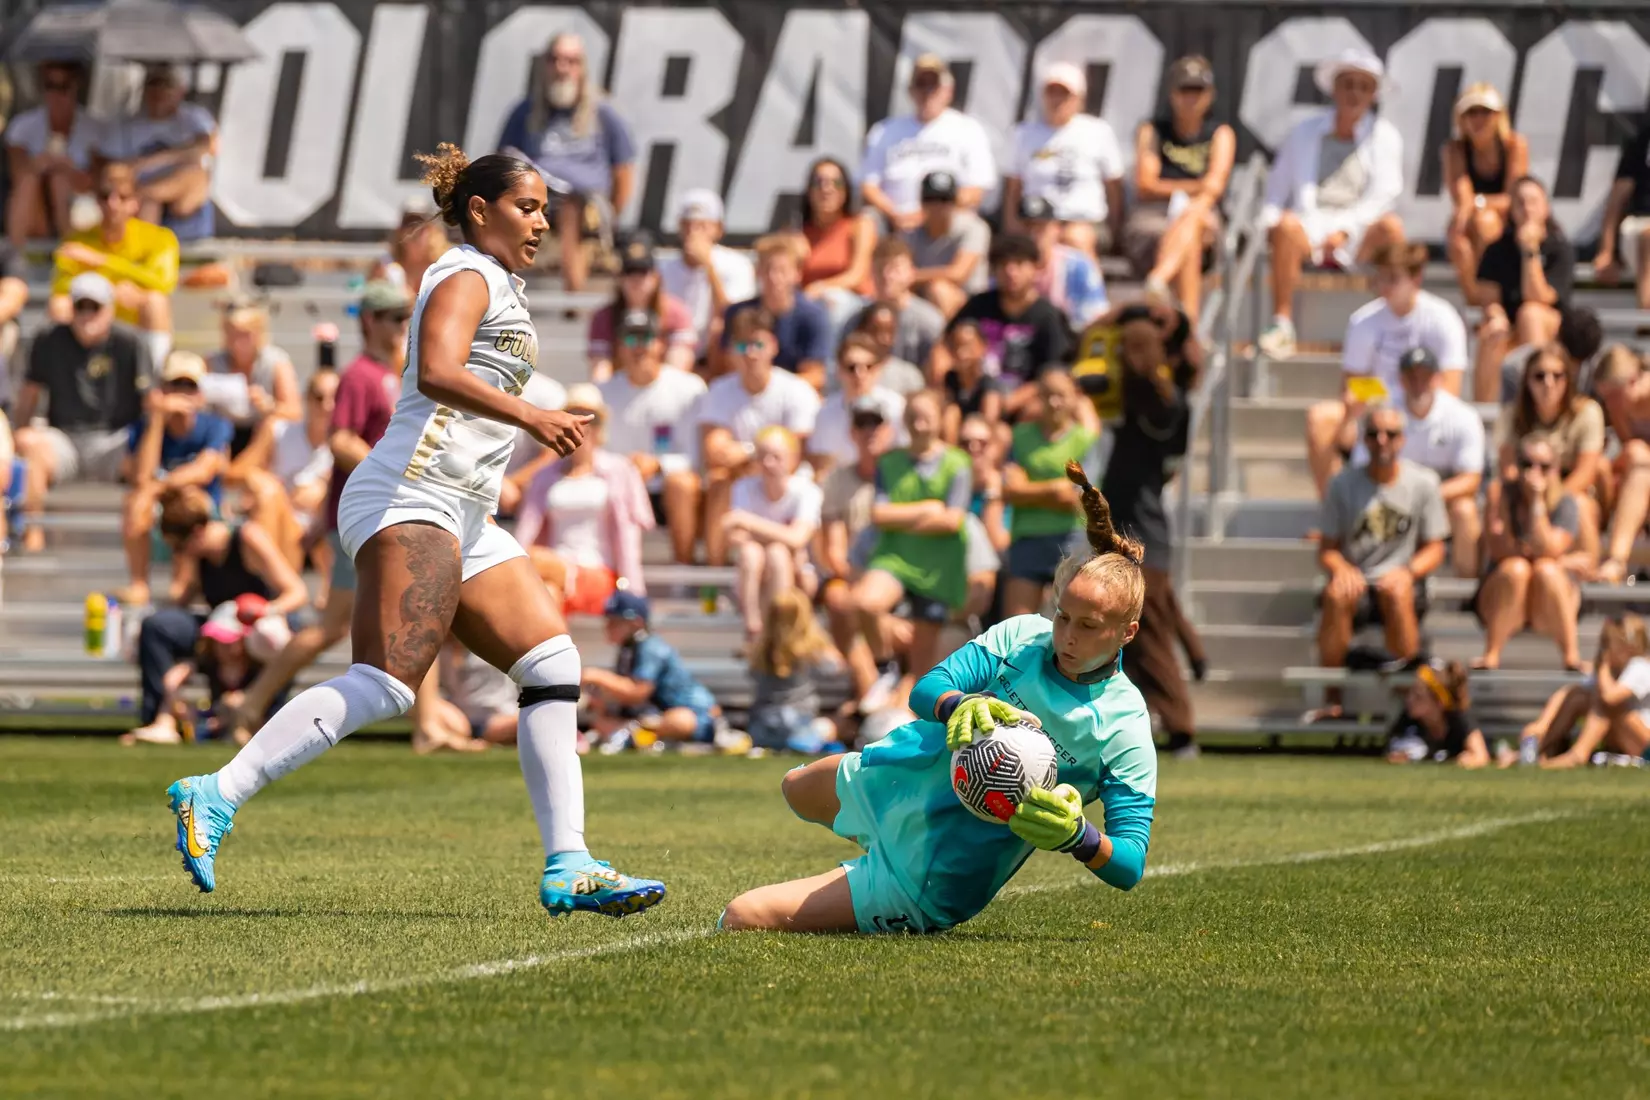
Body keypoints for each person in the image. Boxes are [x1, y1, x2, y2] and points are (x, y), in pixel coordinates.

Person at [163, 143, 666, 918]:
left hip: (463, 507)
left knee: (552, 663)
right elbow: (436, 371)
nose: (541, 223)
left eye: (544, 209)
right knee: (389, 683)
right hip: (411, 494)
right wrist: (533, 416)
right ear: (479, 211)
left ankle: (570, 863)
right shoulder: (464, 271)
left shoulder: (498, 279)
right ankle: (216, 791)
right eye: (527, 207)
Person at [719, 463, 1155, 934]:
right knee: (795, 787)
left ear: (1127, 632)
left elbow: (1130, 863)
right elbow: (928, 687)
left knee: (742, 916)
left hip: (931, 874)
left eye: (1088, 626)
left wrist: (1078, 837)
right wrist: (957, 704)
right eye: (1063, 616)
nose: (1067, 635)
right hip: (893, 779)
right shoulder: (1023, 635)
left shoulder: (1124, 726)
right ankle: (868, 843)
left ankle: (872, 888)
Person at [221, 276, 452, 750]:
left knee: (416, 613)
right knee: (350, 624)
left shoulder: (393, 372)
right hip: (366, 516)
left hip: (388, 512)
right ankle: (250, 705)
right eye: (392, 317)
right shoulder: (361, 375)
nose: (402, 324)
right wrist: (391, 470)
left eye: (405, 316)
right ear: (368, 321)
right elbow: (340, 439)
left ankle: (428, 724)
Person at [1100, 306, 1208, 756]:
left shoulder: (1156, 400)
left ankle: (1182, 728)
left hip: (1139, 529)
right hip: (1139, 527)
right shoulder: (1173, 401)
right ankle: (1195, 654)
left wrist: (1134, 319)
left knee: (1150, 632)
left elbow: (1137, 371)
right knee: (1153, 614)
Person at [127, 485, 310, 746]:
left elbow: (296, 592)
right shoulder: (200, 557)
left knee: (275, 635)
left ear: (197, 533)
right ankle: (161, 721)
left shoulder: (247, 537)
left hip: (258, 625)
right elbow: (183, 600)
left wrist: (262, 612)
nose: (180, 554)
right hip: (219, 627)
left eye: (180, 547)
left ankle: (263, 717)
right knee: (157, 627)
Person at [1258, 49, 1406, 360]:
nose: (1355, 93)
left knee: (1392, 229)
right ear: (1334, 89)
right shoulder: (1303, 133)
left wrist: (1345, 232)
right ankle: (1281, 324)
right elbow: (1276, 190)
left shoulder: (1386, 137)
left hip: (1358, 237)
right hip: (1309, 229)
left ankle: (1393, 324)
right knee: (1284, 225)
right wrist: (1266, 228)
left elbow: (1385, 196)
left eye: (1363, 87)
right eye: (1348, 84)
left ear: (1373, 95)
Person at [1303, 242, 1468, 497]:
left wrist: (1404, 400)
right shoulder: (1363, 320)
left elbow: (1450, 389)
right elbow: (1351, 387)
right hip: (1376, 410)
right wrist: (1381, 400)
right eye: (1380, 277)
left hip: (1424, 410)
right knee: (1321, 419)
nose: (1384, 286)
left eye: (1393, 278)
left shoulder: (1443, 318)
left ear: (1416, 278)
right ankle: (1338, 508)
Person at [1315, 406, 1447, 715]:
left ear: (1403, 439)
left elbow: (1436, 548)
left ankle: (1411, 704)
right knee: (1336, 593)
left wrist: (1408, 572)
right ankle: (1333, 699)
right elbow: (1326, 549)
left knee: (1397, 592)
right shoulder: (1342, 484)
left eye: (1391, 434)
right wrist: (1342, 569)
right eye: (1374, 434)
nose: (1382, 441)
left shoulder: (1423, 483)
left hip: (1403, 582)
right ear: (1364, 439)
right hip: (1359, 581)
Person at [11, 272, 150, 553]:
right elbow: (29, 394)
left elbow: (149, 400)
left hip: (117, 439)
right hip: (65, 439)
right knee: (28, 442)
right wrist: (16, 440)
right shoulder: (48, 339)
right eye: (80, 307)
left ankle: (142, 542)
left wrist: (148, 442)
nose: (87, 315)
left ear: (109, 309)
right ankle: (33, 537)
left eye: (94, 307)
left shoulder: (131, 342)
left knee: (149, 454)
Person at [852, 391, 971, 712]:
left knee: (922, 670)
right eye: (913, 418)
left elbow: (952, 521)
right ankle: (885, 667)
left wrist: (901, 518)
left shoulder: (958, 463)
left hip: (938, 569)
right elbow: (879, 515)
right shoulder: (889, 462)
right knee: (865, 602)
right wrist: (928, 508)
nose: (919, 425)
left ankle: (913, 726)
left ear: (939, 420)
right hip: (895, 557)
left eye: (926, 417)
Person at [498, 31, 635, 292]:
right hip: (538, 200)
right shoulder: (524, 113)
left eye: (571, 61)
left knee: (572, 207)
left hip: (589, 208)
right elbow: (502, 162)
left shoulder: (604, 113)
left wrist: (612, 215)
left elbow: (624, 171)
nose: (562, 69)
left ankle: (574, 297)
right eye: (555, 60)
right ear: (545, 65)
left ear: (582, 68)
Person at [683, 307, 820, 566]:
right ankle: (715, 570)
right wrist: (760, 456)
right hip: (743, 482)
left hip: (784, 483)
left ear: (773, 346)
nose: (750, 353)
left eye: (758, 344)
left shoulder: (797, 390)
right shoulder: (719, 391)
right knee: (720, 481)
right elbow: (716, 452)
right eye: (742, 345)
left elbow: (794, 454)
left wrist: (747, 453)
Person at [1344, 348, 1485, 578]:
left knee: (1465, 510)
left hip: (1443, 502)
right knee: (1366, 504)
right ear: (1401, 379)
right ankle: (1373, 577)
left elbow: (1471, 480)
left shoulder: (1462, 416)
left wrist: (1424, 498)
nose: (1419, 383)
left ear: (1438, 378)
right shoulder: (1384, 413)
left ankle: (1466, 586)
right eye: (1412, 376)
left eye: (1425, 376)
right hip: (1391, 500)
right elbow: (1363, 468)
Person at [515, 384, 654, 616]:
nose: (582, 426)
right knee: (548, 592)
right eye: (574, 417)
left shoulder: (620, 470)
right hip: (555, 572)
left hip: (598, 571)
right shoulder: (544, 476)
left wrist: (632, 591)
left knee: (527, 560)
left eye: (590, 420)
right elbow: (526, 529)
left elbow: (629, 536)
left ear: (600, 427)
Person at [1124, 55, 1235, 325]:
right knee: (1192, 234)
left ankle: (1159, 278)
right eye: (1185, 90)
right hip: (1155, 217)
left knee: (1196, 218)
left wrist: (1188, 196)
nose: (1191, 98)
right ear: (1172, 94)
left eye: (1198, 90)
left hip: (1203, 219)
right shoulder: (1152, 130)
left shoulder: (1220, 133)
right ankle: (1189, 329)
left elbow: (1216, 187)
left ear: (1210, 95)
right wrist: (1195, 187)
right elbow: (1145, 185)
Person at [121, 352, 234, 606]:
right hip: (161, 511)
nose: (182, 393)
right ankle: (139, 584)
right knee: (135, 502)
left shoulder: (215, 425)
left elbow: (204, 470)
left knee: (187, 502)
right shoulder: (144, 427)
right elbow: (141, 476)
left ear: (200, 393)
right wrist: (158, 420)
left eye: (189, 386)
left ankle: (182, 584)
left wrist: (157, 486)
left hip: (203, 513)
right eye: (176, 385)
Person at [597, 308, 707, 562]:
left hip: (666, 490)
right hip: (619, 486)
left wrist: (657, 465)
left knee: (681, 484)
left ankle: (683, 569)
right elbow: (596, 452)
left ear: (661, 344)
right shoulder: (603, 392)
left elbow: (696, 457)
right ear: (619, 347)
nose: (638, 347)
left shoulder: (689, 388)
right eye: (630, 339)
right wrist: (626, 467)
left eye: (646, 338)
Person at [49, 163, 178, 368]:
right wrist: (107, 292)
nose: (113, 204)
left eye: (123, 197)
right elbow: (61, 286)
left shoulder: (160, 239)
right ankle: (65, 374)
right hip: (90, 319)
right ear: (96, 201)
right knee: (60, 305)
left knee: (155, 301)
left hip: (135, 321)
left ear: (135, 202)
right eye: (105, 196)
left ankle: (154, 375)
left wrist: (102, 261)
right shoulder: (77, 241)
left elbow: (163, 282)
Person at [1473, 434, 1584, 672]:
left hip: (1546, 602)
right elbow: (1500, 550)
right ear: (1516, 465)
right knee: (1517, 569)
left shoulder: (1566, 502)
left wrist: (1536, 503)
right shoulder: (1500, 493)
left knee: (1546, 570)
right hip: (1503, 597)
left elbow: (1548, 550)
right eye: (1527, 464)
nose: (1534, 472)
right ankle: (1491, 654)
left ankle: (1571, 655)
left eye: (1544, 466)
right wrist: (1553, 559)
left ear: (1555, 469)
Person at [1492, 345, 1605, 577]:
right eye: (1539, 376)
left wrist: (1551, 499)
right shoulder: (1511, 416)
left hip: (1567, 493)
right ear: (1527, 381)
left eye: (1557, 375)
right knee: (1497, 495)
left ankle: (1589, 572)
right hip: (1523, 493)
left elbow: (1586, 473)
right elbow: (1509, 471)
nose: (1549, 383)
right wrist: (1533, 496)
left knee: (1581, 503)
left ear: (1568, 379)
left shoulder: (1587, 412)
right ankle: (1542, 558)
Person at [125, 597, 293, 747]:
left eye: (230, 641)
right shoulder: (210, 661)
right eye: (218, 641)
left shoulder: (259, 666)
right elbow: (172, 679)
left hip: (255, 720)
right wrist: (179, 705)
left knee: (235, 705)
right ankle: (164, 725)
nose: (224, 647)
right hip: (217, 718)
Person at [858, 54, 995, 230]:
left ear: (948, 91)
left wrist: (926, 215)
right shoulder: (884, 131)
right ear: (911, 90)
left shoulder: (968, 129)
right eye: (921, 84)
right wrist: (895, 214)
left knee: (975, 228)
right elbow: (868, 185)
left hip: (945, 221)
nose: (927, 92)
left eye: (933, 85)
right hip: (895, 219)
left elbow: (976, 190)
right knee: (865, 221)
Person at [1002, 369, 1099, 617]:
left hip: (1071, 539)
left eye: (1061, 395)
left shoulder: (1086, 440)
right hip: (1027, 538)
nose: (1054, 403)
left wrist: (1029, 490)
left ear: (1074, 397)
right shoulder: (1020, 436)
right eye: (1048, 395)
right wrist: (1055, 489)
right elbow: (1011, 490)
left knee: (1070, 621)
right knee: (1017, 625)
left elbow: (1076, 497)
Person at [1469, 177, 1573, 403]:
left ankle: (1536, 401)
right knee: (1492, 331)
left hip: (1550, 329)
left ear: (1545, 207)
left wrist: (1530, 250)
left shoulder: (1560, 249)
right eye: (1520, 202)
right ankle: (1485, 410)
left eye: (1533, 202)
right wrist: (1496, 315)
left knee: (1530, 314)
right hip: (1510, 327)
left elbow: (1540, 297)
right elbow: (1489, 298)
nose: (1527, 208)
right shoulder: (1496, 250)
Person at [1005, 62, 1124, 258]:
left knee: (1075, 239)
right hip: (1035, 219)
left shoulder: (1098, 132)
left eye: (1064, 94)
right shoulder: (1023, 134)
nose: (1057, 100)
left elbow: (1114, 186)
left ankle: (1089, 279)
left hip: (1084, 221)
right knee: (1040, 242)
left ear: (1079, 99)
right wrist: (1012, 227)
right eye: (1052, 93)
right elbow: (1013, 187)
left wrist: (1114, 229)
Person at [818, 400, 895, 701]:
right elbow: (835, 552)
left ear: (889, 431)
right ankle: (871, 692)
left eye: (876, 424)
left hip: (899, 577)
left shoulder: (903, 475)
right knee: (839, 600)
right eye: (862, 424)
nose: (869, 431)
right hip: (856, 578)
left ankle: (877, 696)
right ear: (852, 433)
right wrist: (866, 588)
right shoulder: (838, 479)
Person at [581, 590, 723, 751]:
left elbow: (637, 692)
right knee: (601, 717)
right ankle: (635, 734)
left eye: (615, 622)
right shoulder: (628, 649)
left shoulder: (650, 647)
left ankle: (633, 735)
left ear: (636, 623)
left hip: (696, 715)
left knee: (679, 721)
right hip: (655, 715)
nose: (607, 627)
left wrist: (596, 676)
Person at [933, 235, 1070, 401]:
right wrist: (941, 370)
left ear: (1035, 268)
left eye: (1019, 264)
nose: (1011, 272)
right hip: (972, 395)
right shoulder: (979, 305)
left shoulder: (1048, 315)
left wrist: (1014, 400)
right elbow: (946, 343)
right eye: (1003, 265)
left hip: (1026, 401)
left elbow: (1054, 371)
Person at [725, 426, 823, 643]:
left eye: (776, 457)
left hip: (799, 574)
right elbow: (734, 536)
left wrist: (749, 522)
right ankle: (755, 628)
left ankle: (776, 633)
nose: (768, 463)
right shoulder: (743, 487)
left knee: (776, 553)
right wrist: (781, 536)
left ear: (793, 458)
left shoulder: (807, 491)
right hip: (758, 569)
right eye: (763, 456)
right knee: (753, 553)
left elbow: (798, 538)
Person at [98, 64, 217, 236]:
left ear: (180, 90)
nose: (159, 91)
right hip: (140, 202)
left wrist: (152, 161)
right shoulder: (127, 125)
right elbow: (111, 167)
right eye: (153, 84)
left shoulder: (193, 117)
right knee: (146, 199)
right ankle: (146, 246)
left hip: (183, 202)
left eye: (166, 84)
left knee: (195, 174)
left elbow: (206, 147)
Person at [1442, 84, 1529, 299]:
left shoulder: (1514, 145)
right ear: (1461, 118)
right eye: (1471, 112)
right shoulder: (1455, 149)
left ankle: (1493, 296)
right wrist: (1461, 224)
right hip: (1472, 221)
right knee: (1461, 241)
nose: (1478, 119)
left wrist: (1478, 205)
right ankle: (1477, 299)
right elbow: (1462, 196)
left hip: (1507, 224)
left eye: (1485, 112)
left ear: (1499, 116)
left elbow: (1513, 199)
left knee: (1485, 222)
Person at [5, 61, 101, 249]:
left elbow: (99, 180)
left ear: (76, 86)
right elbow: (17, 173)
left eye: (64, 86)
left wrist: (69, 170)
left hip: (79, 202)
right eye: (50, 86)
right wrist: (38, 165)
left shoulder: (94, 128)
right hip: (35, 206)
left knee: (59, 180)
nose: (57, 94)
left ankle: (72, 249)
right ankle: (18, 251)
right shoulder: (22, 126)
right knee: (28, 179)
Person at [719, 235, 831, 389]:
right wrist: (748, 348)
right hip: (745, 390)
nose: (774, 278)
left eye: (782, 271)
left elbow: (815, 374)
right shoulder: (738, 313)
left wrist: (772, 389)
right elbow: (729, 360)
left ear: (797, 274)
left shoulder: (812, 316)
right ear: (758, 271)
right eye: (767, 269)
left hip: (792, 393)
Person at [1538, 616, 1650, 769]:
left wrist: (1603, 664)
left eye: (1607, 642)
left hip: (1645, 745)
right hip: (1628, 739)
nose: (1604, 648)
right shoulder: (1613, 670)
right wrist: (1541, 724)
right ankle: (1543, 748)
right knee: (1579, 697)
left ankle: (1578, 754)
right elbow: (1570, 693)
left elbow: (1610, 697)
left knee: (1607, 705)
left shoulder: (1640, 666)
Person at [658, 189, 756, 361]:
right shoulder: (663, 268)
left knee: (719, 327)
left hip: (717, 353)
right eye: (687, 225)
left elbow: (734, 316)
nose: (693, 232)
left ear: (718, 229)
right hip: (675, 348)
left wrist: (709, 267)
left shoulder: (738, 264)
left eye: (702, 226)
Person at [586, 233, 695, 381]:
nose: (636, 280)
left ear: (656, 277)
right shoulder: (604, 317)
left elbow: (679, 368)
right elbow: (600, 371)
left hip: (664, 386)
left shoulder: (677, 313)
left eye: (643, 273)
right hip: (621, 388)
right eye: (630, 272)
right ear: (620, 278)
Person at [747, 587, 841, 754]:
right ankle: (803, 743)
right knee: (830, 725)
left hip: (763, 726)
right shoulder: (811, 649)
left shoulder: (760, 650)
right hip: (798, 724)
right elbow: (836, 667)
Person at [203, 300, 300, 454]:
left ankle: (241, 467)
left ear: (259, 334)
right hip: (224, 434)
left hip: (260, 436)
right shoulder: (212, 362)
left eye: (245, 334)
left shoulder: (276, 362)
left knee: (270, 424)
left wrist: (268, 406)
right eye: (233, 334)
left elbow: (295, 412)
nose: (238, 342)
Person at [806, 333, 907, 477]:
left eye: (868, 366)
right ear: (839, 370)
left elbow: (907, 459)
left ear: (879, 370)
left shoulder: (897, 408)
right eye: (852, 367)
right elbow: (821, 467)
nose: (860, 374)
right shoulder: (825, 413)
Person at [1590, 348, 1650, 585]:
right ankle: (1616, 561)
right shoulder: (1617, 407)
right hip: (1636, 477)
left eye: (1614, 394)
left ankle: (1617, 560)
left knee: (1638, 456)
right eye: (1605, 397)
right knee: (1627, 459)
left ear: (1633, 381)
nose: (1609, 403)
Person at [798, 156, 876, 334]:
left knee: (832, 304)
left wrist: (821, 287)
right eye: (819, 183)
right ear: (809, 191)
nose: (827, 189)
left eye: (836, 183)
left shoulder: (860, 225)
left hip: (854, 303)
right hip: (809, 303)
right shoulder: (799, 234)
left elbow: (857, 275)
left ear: (846, 190)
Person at [903, 171, 988, 318]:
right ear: (922, 203)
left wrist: (913, 276)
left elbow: (958, 274)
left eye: (944, 200)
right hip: (923, 303)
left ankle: (947, 334)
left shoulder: (974, 227)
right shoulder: (910, 234)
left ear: (955, 203)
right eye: (931, 200)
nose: (938, 206)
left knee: (938, 289)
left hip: (971, 305)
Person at [1019, 194, 1108, 331]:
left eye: (1041, 228)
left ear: (1056, 229)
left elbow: (1095, 314)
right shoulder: (1009, 267)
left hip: (1070, 336)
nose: (1033, 235)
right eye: (1028, 227)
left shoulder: (1078, 266)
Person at [1593, 113, 1650, 311]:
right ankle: (1646, 318)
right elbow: (1616, 200)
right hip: (1641, 226)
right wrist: (1607, 251)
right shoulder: (1642, 142)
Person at [1384, 660, 1489, 767]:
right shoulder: (1409, 719)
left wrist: (1466, 759)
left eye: (1418, 696)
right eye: (1410, 693)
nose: (1410, 699)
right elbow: (1393, 747)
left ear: (1439, 703)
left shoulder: (1459, 719)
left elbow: (1480, 755)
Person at [370, 195, 451, 294]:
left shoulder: (445, 264)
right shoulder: (385, 266)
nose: (414, 230)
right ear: (399, 230)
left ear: (432, 230)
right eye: (409, 224)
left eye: (420, 224)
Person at [939, 320, 1002, 444]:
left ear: (982, 347)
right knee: (951, 414)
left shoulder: (989, 384)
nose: (961, 353)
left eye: (967, 346)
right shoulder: (949, 379)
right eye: (955, 346)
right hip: (957, 437)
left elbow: (990, 422)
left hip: (979, 440)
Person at [852, 301, 929, 397]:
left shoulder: (909, 376)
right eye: (875, 330)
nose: (883, 338)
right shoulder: (848, 371)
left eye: (889, 332)